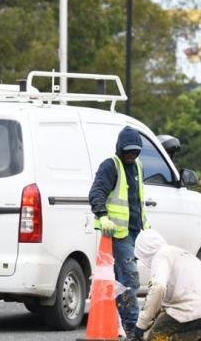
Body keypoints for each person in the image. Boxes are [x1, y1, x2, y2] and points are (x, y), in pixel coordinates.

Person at [88, 126, 148, 340]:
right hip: (118, 233)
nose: (132, 155)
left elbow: (137, 199)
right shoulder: (111, 166)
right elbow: (97, 192)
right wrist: (102, 215)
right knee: (129, 278)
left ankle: (126, 324)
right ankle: (132, 326)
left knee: (126, 279)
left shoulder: (138, 166)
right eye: (128, 151)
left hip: (135, 231)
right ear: (120, 149)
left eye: (135, 151)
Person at [134, 229, 201, 341]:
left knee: (156, 335)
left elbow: (158, 288)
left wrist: (141, 324)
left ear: (144, 251)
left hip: (191, 308)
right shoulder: (179, 253)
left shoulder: (160, 256)